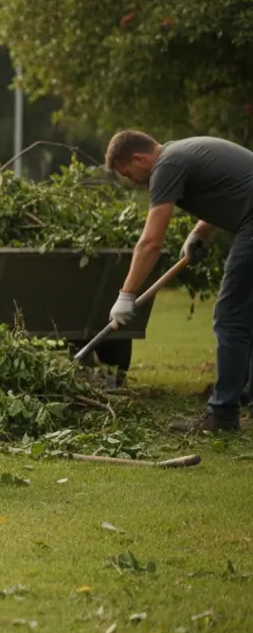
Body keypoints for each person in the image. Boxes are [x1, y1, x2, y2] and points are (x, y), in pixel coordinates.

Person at [106, 130, 253, 432]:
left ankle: (222, 415)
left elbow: (150, 243)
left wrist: (126, 294)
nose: (133, 182)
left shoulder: (166, 166)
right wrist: (200, 233)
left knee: (230, 319)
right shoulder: (184, 152)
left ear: (139, 158)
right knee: (245, 318)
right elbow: (232, 188)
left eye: (129, 174)